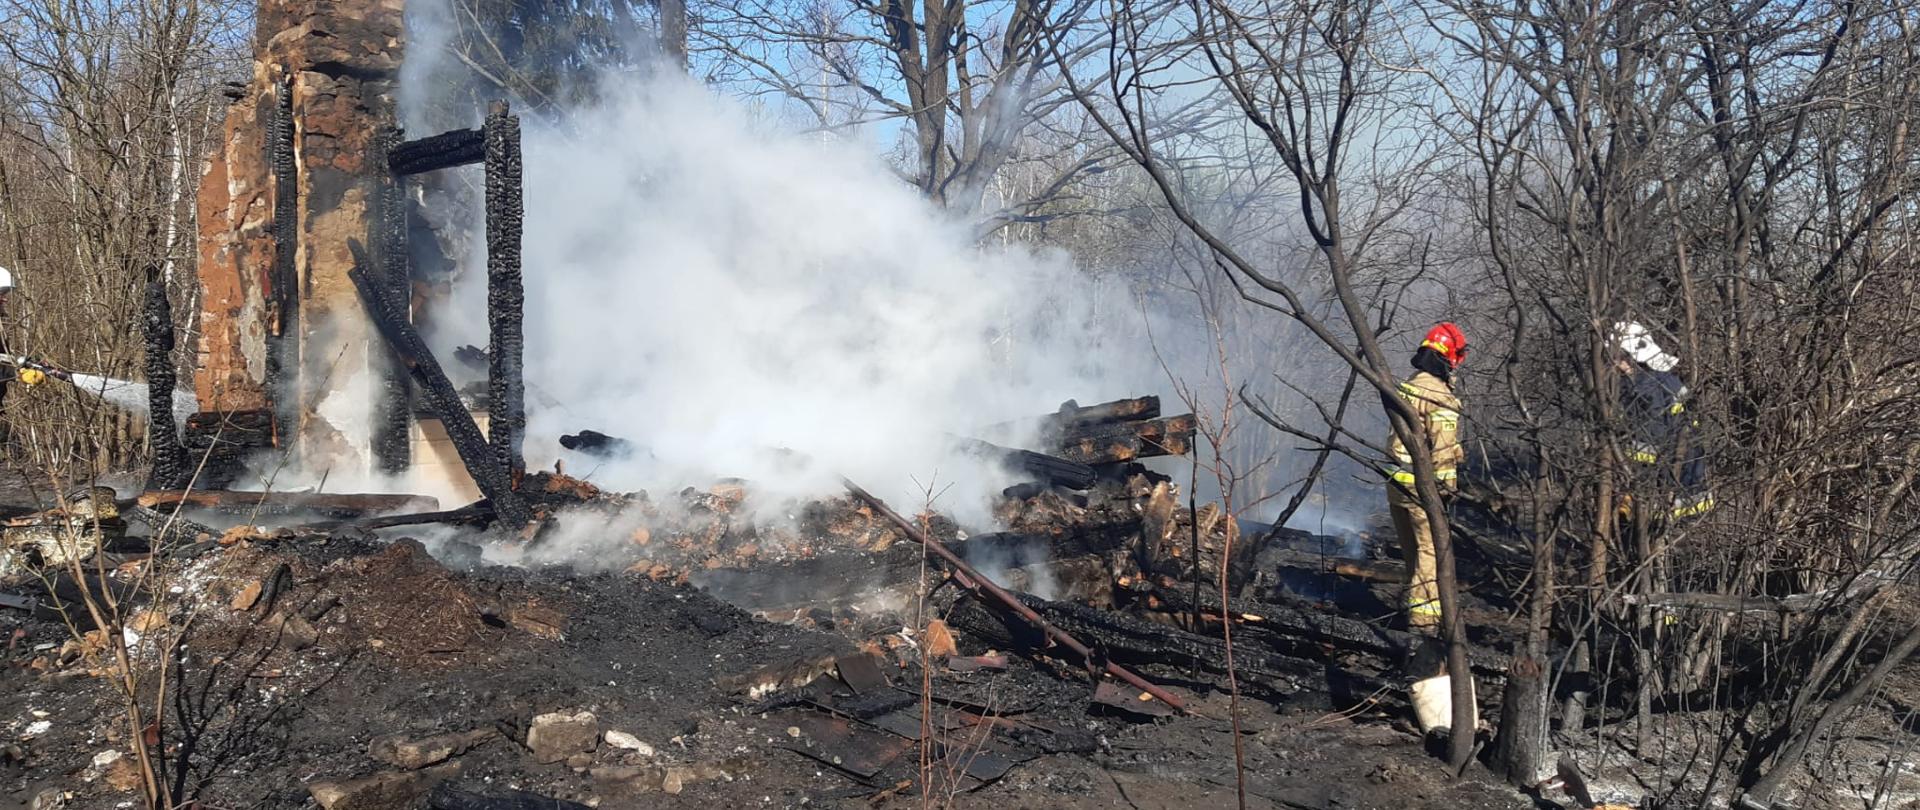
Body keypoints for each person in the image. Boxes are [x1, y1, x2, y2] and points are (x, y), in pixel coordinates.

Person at [1385, 322, 1471, 742]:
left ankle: (1414, 617)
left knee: (1412, 559)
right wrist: (1447, 491)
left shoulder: (1408, 386)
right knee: (1431, 559)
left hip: (1396, 488)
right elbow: (1441, 451)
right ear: (1450, 358)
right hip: (1423, 492)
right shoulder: (1440, 397)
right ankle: (1423, 638)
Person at [1612, 322, 1712, 520]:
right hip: (1685, 455)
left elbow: (1651, 434)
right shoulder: (1658, 377)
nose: (1614, 363)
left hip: (1673, 459)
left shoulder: (1646, 387)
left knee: (1666, 518)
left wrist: (1633, 469)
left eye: (1617, 357)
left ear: (1630, 357)